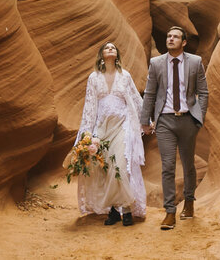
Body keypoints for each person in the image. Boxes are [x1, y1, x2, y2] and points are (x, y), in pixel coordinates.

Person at [141, 26, 208, 230]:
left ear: (184, 42)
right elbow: (150, 93)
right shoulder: (156, 63)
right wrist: (145, 120)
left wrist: (199, 118)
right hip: (165, 121)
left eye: (175, 37)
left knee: (188, 165)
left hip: (188, 120)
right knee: (168, 166)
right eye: (168, 36)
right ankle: (170, 211)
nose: (170, 39)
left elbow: (203, 93)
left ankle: (189, 201)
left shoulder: (195, 62)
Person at [74, 42, 146, 225]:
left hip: (123, 125)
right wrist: (87, 134)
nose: (110, 49)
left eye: (113, 48)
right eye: (107, 48)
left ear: (117, 55)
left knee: (121, 167)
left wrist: (146, 122)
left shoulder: (125, 76)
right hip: (101, 129)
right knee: (106, 170)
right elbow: (89, 107)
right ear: (101, 55)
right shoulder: (93, 78)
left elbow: (136, 100)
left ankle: (127, 210)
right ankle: (114, 211)